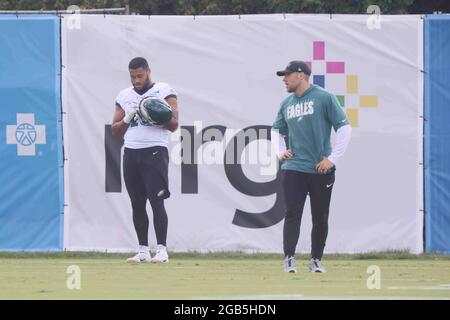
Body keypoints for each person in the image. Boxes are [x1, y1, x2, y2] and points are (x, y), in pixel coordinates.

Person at [272, 61, 352, 273]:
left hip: (320, 169)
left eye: (287, 75)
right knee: (292, 214)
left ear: (301, 75)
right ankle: (289, 259)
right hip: (294, 168)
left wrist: (333, 159)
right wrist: (280, 151)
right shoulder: (286, 103)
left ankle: (315, 260)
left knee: (320, 216)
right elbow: (275, 130)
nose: (284, 79)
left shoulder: (324, 97)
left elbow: (344, 128)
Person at [112, 57, 178, 264]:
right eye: (133, 77)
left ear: (148, 72)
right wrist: (127, 118)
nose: (136, 80)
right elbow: (114, 131)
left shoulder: (163, 89)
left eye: (140, 76)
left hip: (155, 151)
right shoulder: (124, 95)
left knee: (156, 201)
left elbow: (174, 124)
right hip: (131, 152)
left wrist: (156, 114)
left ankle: (162, 250)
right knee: (137, 203)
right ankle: (142, 250)